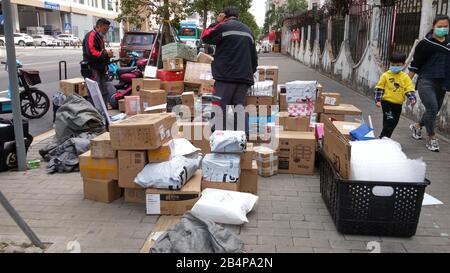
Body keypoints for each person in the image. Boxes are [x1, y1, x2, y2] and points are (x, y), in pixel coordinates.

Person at [201, 6, 258, 133]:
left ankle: (219, 141)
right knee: (240, 110)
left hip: (225, 78)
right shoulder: (249, 31)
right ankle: (243, 142)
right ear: (238, 17)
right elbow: (254, 59)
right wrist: (248, 73)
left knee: (219, 110)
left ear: (224, 17)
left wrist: (217, 23)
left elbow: (205, 36)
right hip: (244, 79)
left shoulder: (223, 27)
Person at [408, 14, 450, 152]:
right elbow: (415, 65)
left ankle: (418, 126)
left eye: (445, 27)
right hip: (426, 81)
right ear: (433, 26)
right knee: (432, 108)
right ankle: (431, 137)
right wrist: (405, 85)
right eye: (440, 26)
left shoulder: (449, 43)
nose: (442, 29)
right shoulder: (425, 44)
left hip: (443, 82)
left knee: (433, 111)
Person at [375, 52, 416, 139]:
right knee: (389, 119)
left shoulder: (405, 77)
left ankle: (386, 137)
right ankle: (383, 137)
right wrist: (378, 100)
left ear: (403, 64)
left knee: (394, 122)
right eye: (393, 64)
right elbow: (380, 88)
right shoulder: (385, 75)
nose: (395, 66)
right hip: (386, 102)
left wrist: (412, 98)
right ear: (390, 63)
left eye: (398, 65)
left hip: (398, 104)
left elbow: (408, 89)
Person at [82, 18, 114, 106]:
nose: (106, 31)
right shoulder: (91, 35)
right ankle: (96, 113)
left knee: (103, 91)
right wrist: (105, 53)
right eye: (105, 29)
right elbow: (92, 53)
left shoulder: (100, 37)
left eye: (107, 29)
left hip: (100, 68)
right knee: (94, 93)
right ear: (98, 26)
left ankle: (104, 113)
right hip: (92, 68)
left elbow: (100, 51)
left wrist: (107, 55)